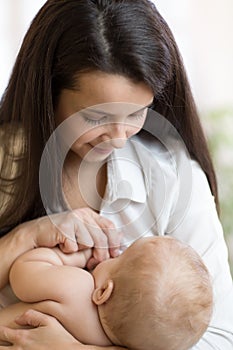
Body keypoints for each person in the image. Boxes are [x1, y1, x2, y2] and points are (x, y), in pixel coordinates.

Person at [0, 0, 232, 349]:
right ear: (47, 92)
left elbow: (218, 337)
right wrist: (25, 239)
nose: (120, 137)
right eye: (96, 118)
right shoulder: (7, 160)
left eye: (139, 113)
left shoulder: (173, 178)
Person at [0, 236, 213, 350]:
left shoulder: (77, 287)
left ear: (102, 292)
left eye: (119, 259)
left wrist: (71, 259)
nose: (113, 256)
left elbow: (22, 274)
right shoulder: (113, 344)